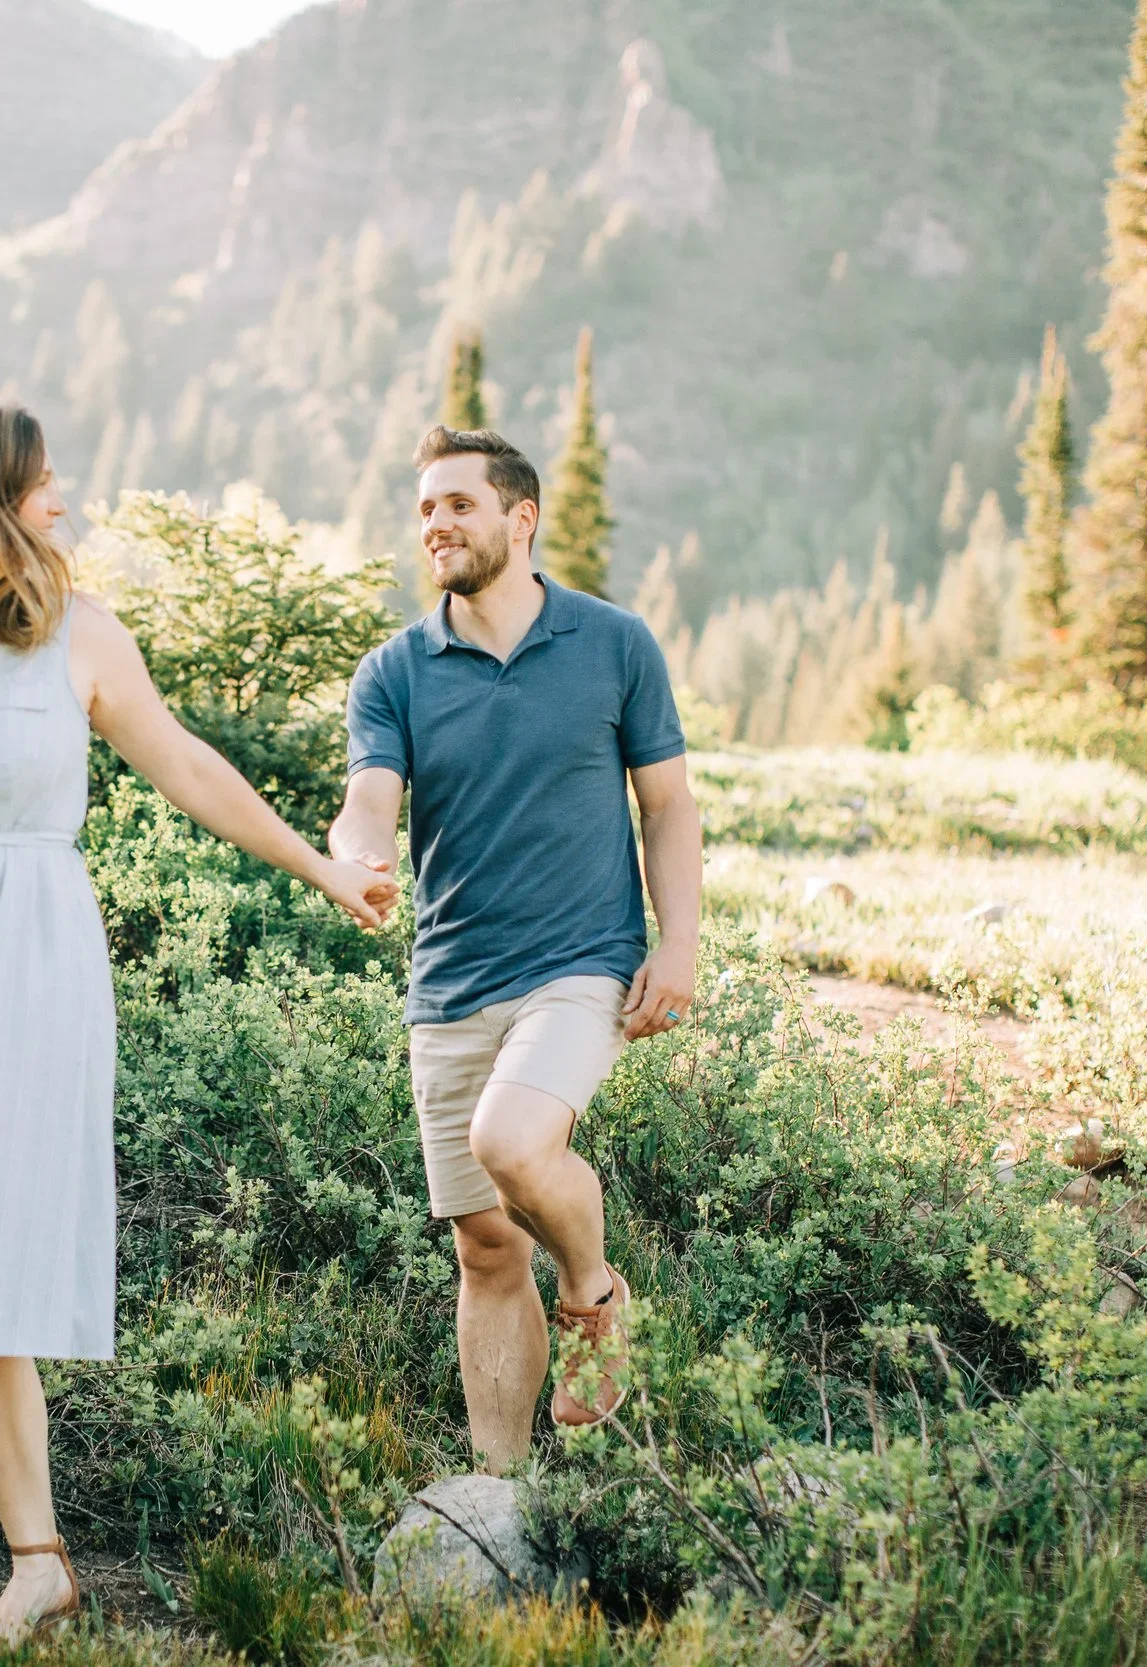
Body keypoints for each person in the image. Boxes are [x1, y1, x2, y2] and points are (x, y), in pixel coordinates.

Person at [0, 401, 398, 1666]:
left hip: (25, 976)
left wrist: (321, 872)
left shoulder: (76, 635)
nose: (61, 503)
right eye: (39, 485)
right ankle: (42, 1564)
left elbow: (189, 768)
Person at [328, 424, 702, 1473]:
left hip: (581, 963)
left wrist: (677, 945)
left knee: (514, 1142)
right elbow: (367, 803)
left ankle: (591, 1291)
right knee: (486, 1247)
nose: (436, 525)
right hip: (448, 985)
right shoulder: (395, 671)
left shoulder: (615, 644)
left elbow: (666, 804)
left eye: (457, 503)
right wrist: (356, 853)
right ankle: (503, 1487)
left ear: (519, 516)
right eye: (424, 510)